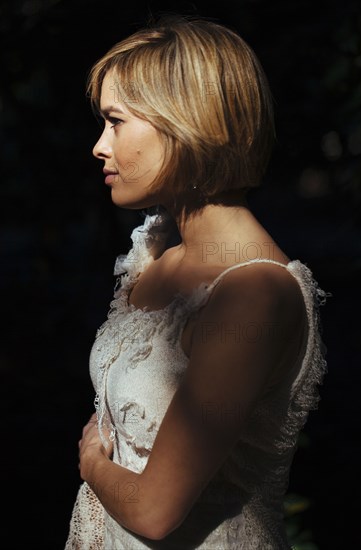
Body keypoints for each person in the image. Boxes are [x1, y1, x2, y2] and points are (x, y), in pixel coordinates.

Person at [65, 14, 330, 549]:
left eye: (116, 122)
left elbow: (157, 510)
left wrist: (91, 462)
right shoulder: (155, 251)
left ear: (183, 123)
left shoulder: (253, 293)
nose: (99, 144)